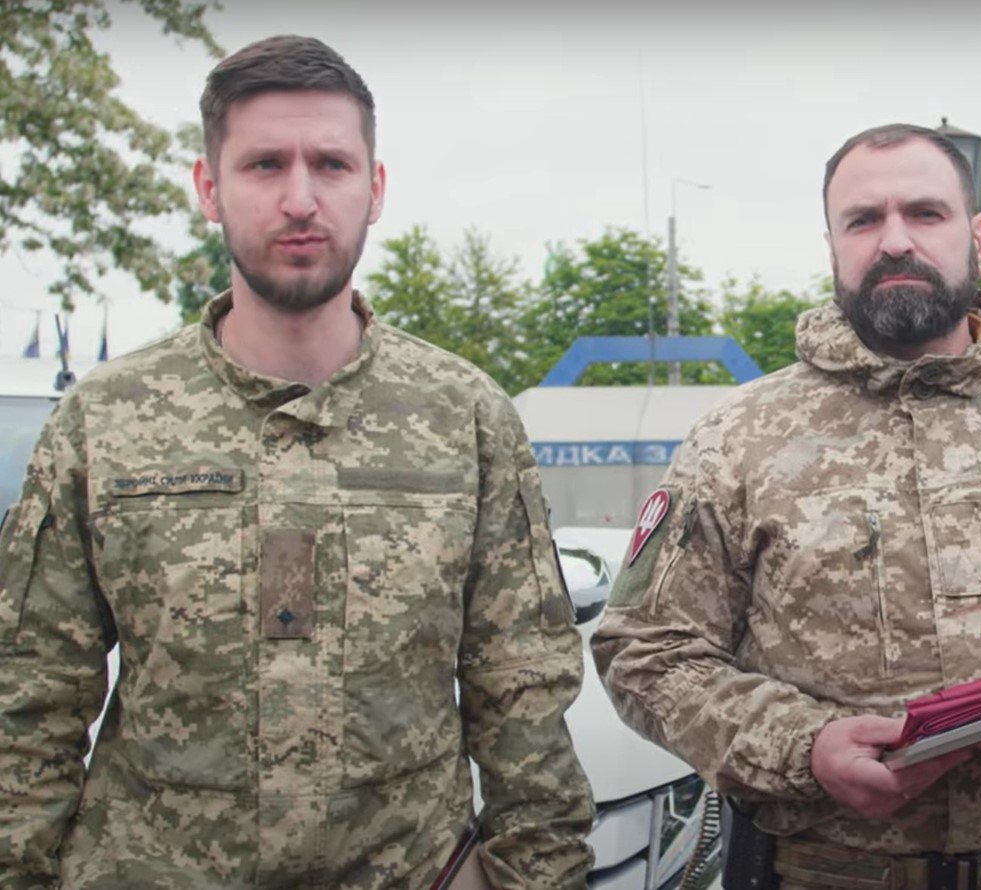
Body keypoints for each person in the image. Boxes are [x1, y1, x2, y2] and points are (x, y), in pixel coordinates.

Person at [0, 35, 593, 888]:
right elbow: (29, 700)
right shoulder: (105, 420)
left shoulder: (465, 417)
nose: (301, 199)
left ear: (374, 188)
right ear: (209, 188)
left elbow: (523, 692)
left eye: (332, 165)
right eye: (265, 165)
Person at [591, 123, 981, 890]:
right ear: (832, 246)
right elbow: (647, 652)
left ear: (978, 237)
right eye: (863, 220)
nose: (895, 240)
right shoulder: (739, 437)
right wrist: (802, 746)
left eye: (926, 213)